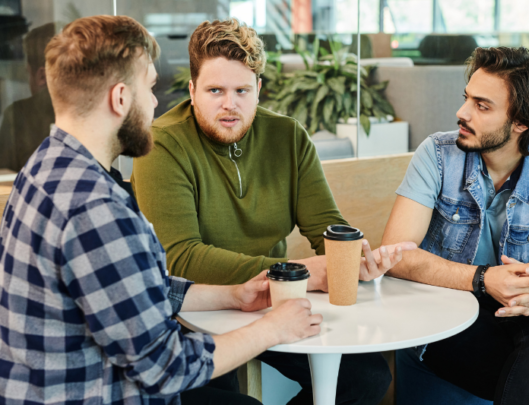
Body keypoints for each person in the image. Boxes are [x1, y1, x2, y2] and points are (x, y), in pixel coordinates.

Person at [0, 15, 323, 405]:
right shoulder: (97, 210)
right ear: (120, 98)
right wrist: (272, 329)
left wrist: (233, 295)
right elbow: (165, 370)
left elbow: (130, 287)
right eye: (150, 88)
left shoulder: (44, 166)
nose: (156, 103)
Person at [131, 18, 415, 405]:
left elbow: (326, 225)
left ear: (259, 89)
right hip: (195, 312)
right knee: (230, 395)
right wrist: (295, 274)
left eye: (241, 90)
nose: (229, 104)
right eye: (215, 90)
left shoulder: (287, 136)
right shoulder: (162, 144)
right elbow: (179, 257)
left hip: (272, 301)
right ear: (193, 90)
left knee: (365, 377)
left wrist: (355, 256)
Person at [382, 47, 529, 405]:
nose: (462, 113)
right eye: (467, 99)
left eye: (482, 106)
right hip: (440, 315)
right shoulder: (438, 156)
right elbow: (396, 256)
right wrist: (483, 279)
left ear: (520, 122)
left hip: (508, 321)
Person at [0, 23, 56, 172]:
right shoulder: (84, 112)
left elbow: (4, 173)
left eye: (27, 73)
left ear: (42, 76)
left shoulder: (16, 114)